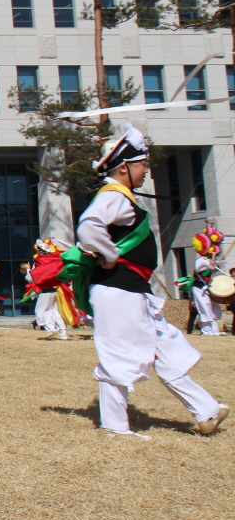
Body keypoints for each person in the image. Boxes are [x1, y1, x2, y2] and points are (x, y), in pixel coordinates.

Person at [69, 123, 227, 439]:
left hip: (134, 291)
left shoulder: (123, 197)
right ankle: (115, 427)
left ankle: (206, 410)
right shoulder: (113, 196)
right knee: (118, 356)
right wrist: (110, 254)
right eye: (142, 164)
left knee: (166, 349)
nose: (146, 170)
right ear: (125, 167)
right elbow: (88, 227)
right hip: (117, 289)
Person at [189, 223, 224, 336]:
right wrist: (210, 263)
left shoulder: (207, 260)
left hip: (207, 287)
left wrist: (215, 266)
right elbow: (201, 266)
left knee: (212, 308)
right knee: (205, 308)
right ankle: (206, 331)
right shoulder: (201, 260)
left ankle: (214, 330)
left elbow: (211, 268)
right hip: (199, 287)